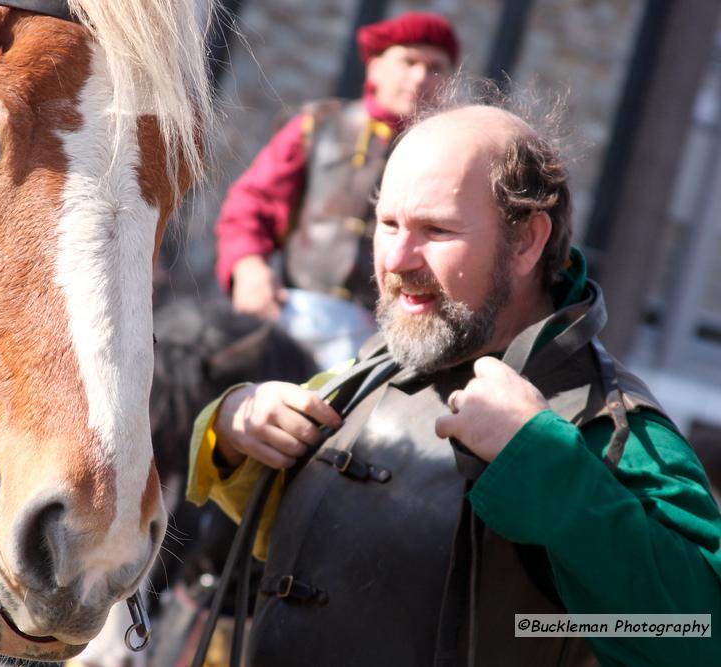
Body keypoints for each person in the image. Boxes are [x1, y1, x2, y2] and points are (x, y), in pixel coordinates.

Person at [187, 98, 721, 665]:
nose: (395, 258)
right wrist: (234, 421)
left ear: (526, 243)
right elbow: (319, 537)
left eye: (436, 230)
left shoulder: (609, 423)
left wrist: (545, 462)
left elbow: (696, 635)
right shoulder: (373, 369)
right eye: (387, 223)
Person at [214, 12, 459, 367]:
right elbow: (251, 205)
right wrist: (248, 269)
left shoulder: (450, 156)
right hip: (293, 316)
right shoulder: (317, 126)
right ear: (374, 68)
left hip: (385, 341)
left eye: (436, 67)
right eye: (408, 61)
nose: (420, 76)